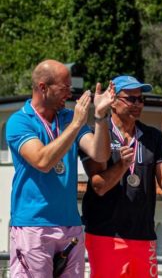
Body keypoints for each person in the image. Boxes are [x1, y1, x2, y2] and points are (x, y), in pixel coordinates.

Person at [6, 59, 114, 277]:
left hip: (70, 225)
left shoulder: (67, 118)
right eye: (64, 87)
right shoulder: (19, 121)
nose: (70, 93)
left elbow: (100, 153)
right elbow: (43, 161)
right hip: (33, 225)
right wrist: (75, 125)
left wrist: (101, 117)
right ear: (43, 88)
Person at [81, 75, 162, 278]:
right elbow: (99, 186)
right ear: (112, 101)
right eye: (131, 99)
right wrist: (122, 166)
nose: (138, 104)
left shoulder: (152, 136)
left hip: (143, 234)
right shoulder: (97, 134)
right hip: (106, 234)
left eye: (141, 99)